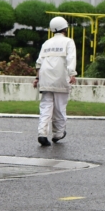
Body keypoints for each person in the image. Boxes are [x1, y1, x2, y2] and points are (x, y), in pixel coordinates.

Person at [32, 16, 77, 146]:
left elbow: (39, 62)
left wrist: (37, 78)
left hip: (45, 79)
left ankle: (42, 133)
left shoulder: (46, 43)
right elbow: (71, 59)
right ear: (65, 28)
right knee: (59, 107)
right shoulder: (68, 41)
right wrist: (72, 74)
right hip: (60, 78)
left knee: (45, 107)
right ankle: (58, 133)